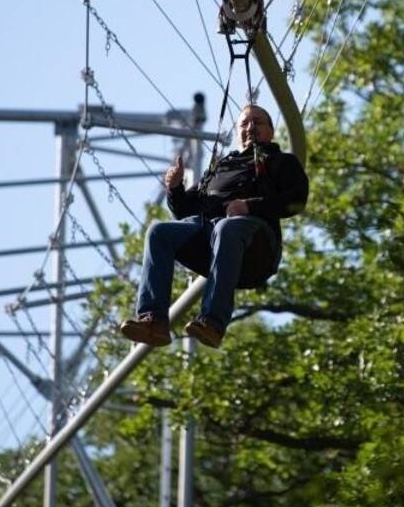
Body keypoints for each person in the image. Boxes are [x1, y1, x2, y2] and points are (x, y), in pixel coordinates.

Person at [120, 104, 308, 348]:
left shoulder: (281, 162)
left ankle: (213, 322)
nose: (250, 128)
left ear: (271, 131)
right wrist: (175, 188)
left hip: (256, 247)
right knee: (159, 232)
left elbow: (297, 200)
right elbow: (184, 210)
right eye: (244, 124)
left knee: (226, 228)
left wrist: (249, 206)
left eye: (258, 122)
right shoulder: (221, 167)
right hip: (213, 239)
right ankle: (153, 320)